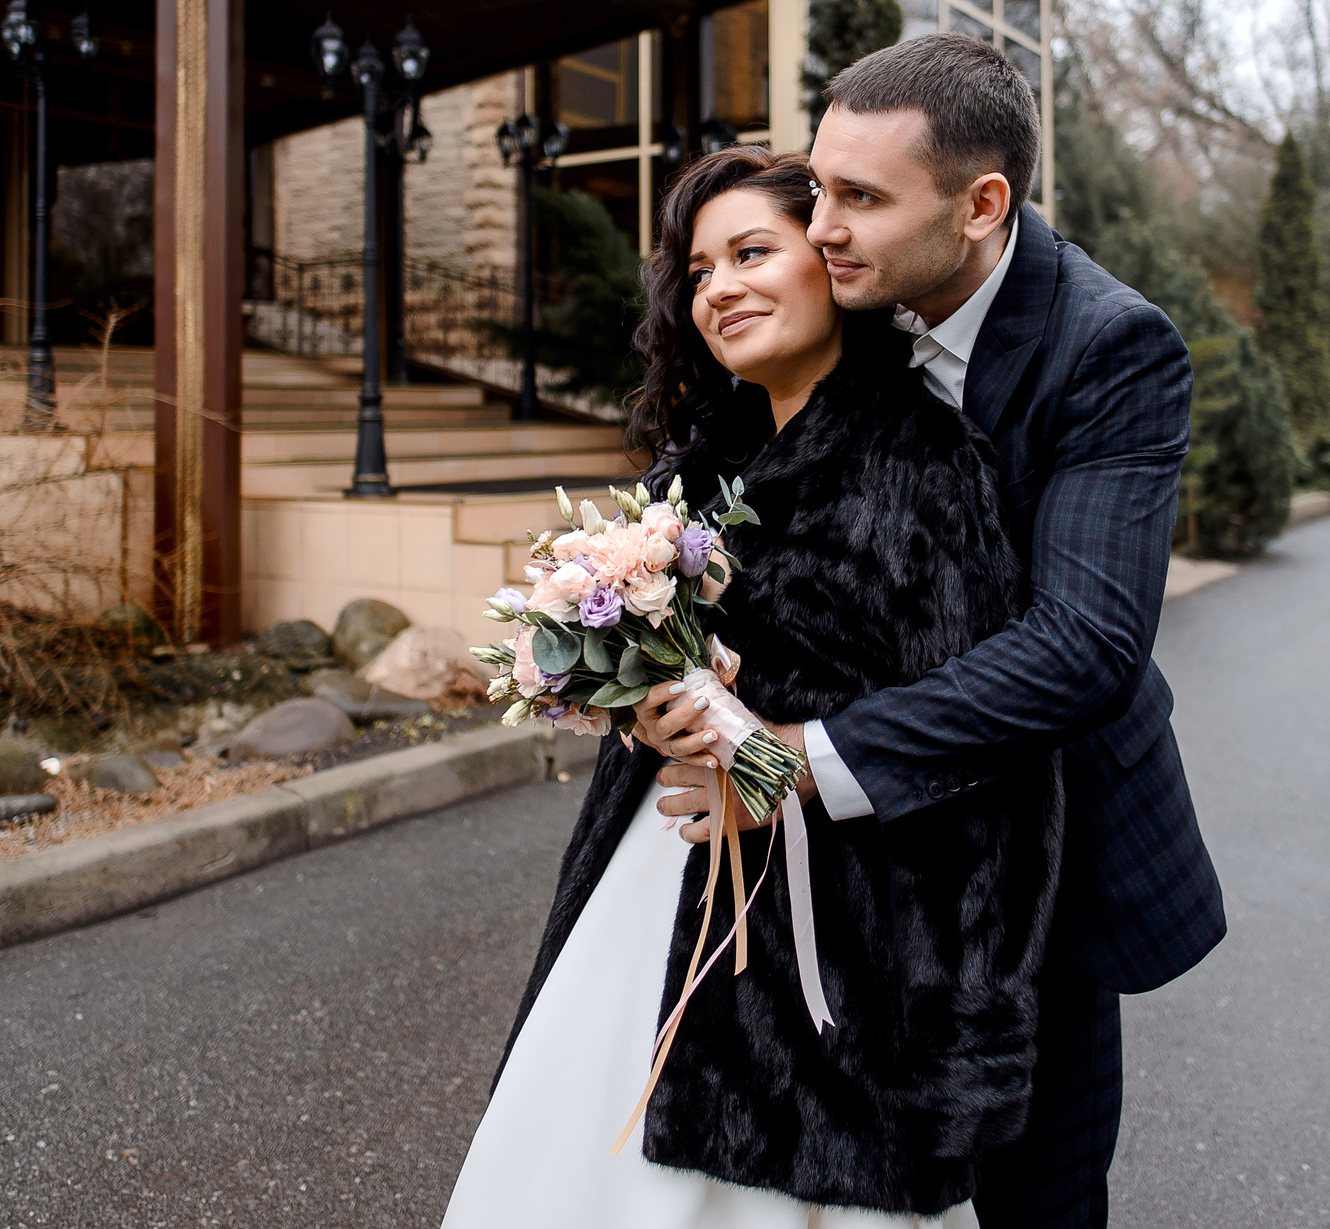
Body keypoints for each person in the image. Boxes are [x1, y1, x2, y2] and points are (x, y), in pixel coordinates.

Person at [641, 32, 1225, 1228]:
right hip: (831, 864)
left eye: (858, 197)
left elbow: (1083, 643)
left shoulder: (1108, 347)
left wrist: (796, 758)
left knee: (1036, 1191)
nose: (822, 229)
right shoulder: (838, 299)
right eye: (819, 186)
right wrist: (668, 651)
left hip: (1037, 835)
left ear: (980, 205)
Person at [443, 147, 1063, 1227]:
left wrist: (768, 752)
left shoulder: (924, 462)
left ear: (831, 260)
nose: (718, 285)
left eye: (750, 251)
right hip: (657, 874)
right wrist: (639, 696)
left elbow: (970, 744)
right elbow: (665, 669)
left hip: (831, 943)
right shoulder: (694, 467)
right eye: (698, 270)